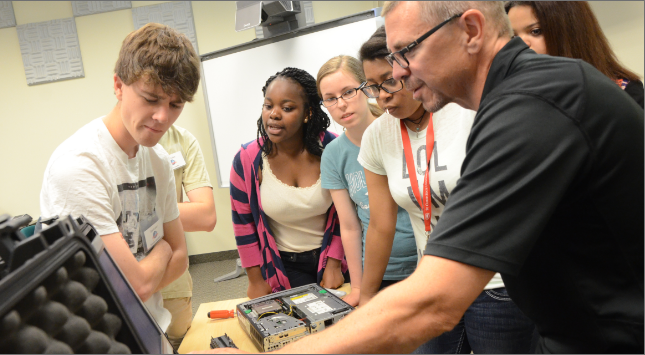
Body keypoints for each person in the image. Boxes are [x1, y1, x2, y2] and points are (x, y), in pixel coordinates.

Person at [205, 2, 643, 353]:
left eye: (405, 52)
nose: (396, 73)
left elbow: (434, 301)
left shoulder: (534, 105)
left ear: (470, 30)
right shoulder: (510, 100)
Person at [357, 25, 537, 353]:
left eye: (389, 80)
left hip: (494, 282)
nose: (382, 95)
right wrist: (367, 297)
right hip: (433, 284)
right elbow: (381, 225)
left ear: (410, 69)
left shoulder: (466, 110)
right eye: (371, 87)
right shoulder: (377, 136)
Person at [40, 23, 201, 332]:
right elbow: (137, 284)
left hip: (152, 327)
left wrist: (157, 265)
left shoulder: (157, 161)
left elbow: (181, 260)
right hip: (99, 338)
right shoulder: (80, 167)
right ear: (118, 85)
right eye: (152, 98)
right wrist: (163, 249)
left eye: (175, 104)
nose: (163, 117)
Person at [230, 67, 348, 300]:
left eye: (287, 108)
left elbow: (346, 213)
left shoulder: (332, 148)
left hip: (337, 258)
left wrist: (334, 263)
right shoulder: (247, 159)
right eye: (268, 105)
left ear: (307, 113)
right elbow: (243, 225)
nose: (273, 114)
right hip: (284, 265)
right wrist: (255, 280)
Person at [317, 55, 416, 307]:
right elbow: (350, 227)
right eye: (330, 98)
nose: (341, 104)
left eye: (348, 92)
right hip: (378, 272)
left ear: (366, 88)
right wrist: (359, 287)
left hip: (423, 263)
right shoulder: (333, 154)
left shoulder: (399, 129)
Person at [506, 1, 644, 108]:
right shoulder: (513, 99)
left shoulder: (623, 93)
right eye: (514, 37)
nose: (521, 44)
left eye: (536, 31)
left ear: (569, 34)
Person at [157, 124, 216, 350]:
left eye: (174, 103)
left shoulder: (181, 139)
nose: (163, 114)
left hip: (173, 280)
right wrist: (169, 214)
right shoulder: (98, 151)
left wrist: (144, 213)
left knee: (180, 345)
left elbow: (206, 217)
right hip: (126, 285)